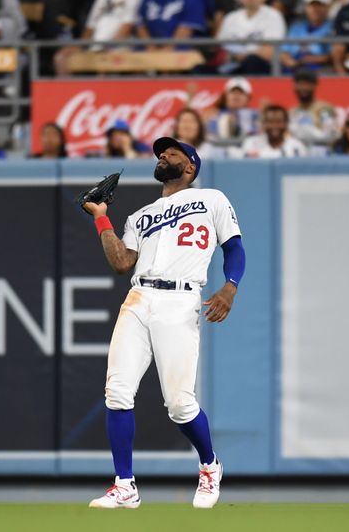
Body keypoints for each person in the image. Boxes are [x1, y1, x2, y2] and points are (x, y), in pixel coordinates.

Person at [82, 136, 245, 509]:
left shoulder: (212, 199)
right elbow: (122, 263)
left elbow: (234, 247)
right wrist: (101, 217)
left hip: (180, 299)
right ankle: (125, 485)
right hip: (139, 298)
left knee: (179, 404)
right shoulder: (139, 216)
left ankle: (209, 465)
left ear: (190, 166)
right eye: (160, 152)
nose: (164, 155)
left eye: (173, 152)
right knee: (117, 391)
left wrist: (230, 287)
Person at [53, 0, 139, 76]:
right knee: (61, 57)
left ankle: (102, 91)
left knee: (104, 61)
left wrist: (108, 46)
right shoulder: (100, 0)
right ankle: (68, 92)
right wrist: (80, 45)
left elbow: (127, 28)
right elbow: (90, 28)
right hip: (95, 45)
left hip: (119, 46)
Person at [216, 0, 286, 74]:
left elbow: (270, 50)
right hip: (233, 63)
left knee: (252, 61)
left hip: (262, 65)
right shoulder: (230, 18)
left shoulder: (274, 16)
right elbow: (221, 46)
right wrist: (235, 57)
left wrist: (244, 56)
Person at [234, 104, 308, 158]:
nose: (274, 126)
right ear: (264, 124)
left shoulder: (297, 147)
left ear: (286, 123)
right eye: (270, 122)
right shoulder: (251, 144)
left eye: (279, 121)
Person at [279, 0, 333, 72]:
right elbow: (284, 51)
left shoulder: (332, 26)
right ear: (306, 7)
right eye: (311, 6)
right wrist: (292, 63)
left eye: (319, 5)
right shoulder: (297, 26)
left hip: (319, 68)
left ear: (327, 7)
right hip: (295, 65)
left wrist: (311, 59)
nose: (315, 9)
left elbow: (333, 55)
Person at [288, 69, 337, 143]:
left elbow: (331, 135)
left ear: (314, 85)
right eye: (299, 84)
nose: (303, 88)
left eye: (306, 84)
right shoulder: (291, 112)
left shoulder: (324, 109)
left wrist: (307, 133)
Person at [205, 77, 260, 141]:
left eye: (241, 92)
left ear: (248, 98)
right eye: (232, 92)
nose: (236, 95)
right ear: (225, 96)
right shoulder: (213, 115)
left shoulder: (256, 115)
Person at [136, 0, 207, 48]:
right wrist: (151, 48)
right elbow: (141, 25)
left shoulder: (192, 0)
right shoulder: (146, 0)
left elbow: (186, 30)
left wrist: (166, 51)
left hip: (181, 48)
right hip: (149, 48)